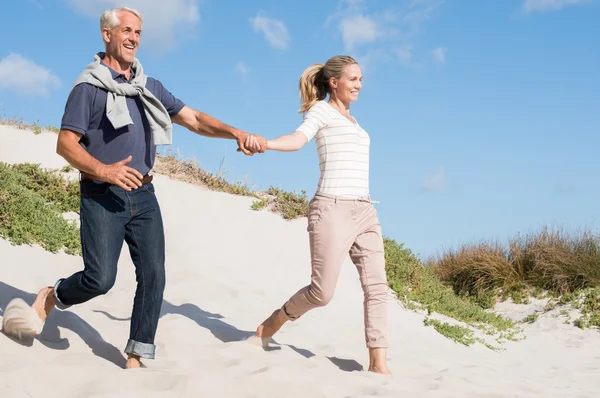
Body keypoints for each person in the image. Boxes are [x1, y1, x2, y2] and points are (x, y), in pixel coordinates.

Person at [1, 6, 266, 369]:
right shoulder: (88, 87)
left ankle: (137, 355)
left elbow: (194, 119)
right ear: (107, 35)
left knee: (154, 274)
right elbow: (65, 143)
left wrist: (234, 132)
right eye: (126, 30)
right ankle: (52, 295)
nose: (134, 38)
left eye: (138, 33)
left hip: (143, 194)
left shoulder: (147, 88)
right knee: (100, 279)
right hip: (102, 194)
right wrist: (104, 171)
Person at [244, 55, 391, 374]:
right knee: (322, 292)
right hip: (332, 208)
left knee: (377, 288)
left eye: (361, 79)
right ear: (334, 82)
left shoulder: (355, 122)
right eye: (353, 79)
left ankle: (379, 366)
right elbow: (297, 140)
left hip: (365, 210)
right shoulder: (321, 111)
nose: (359, 85)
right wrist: (266, 144)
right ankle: (274, 321)